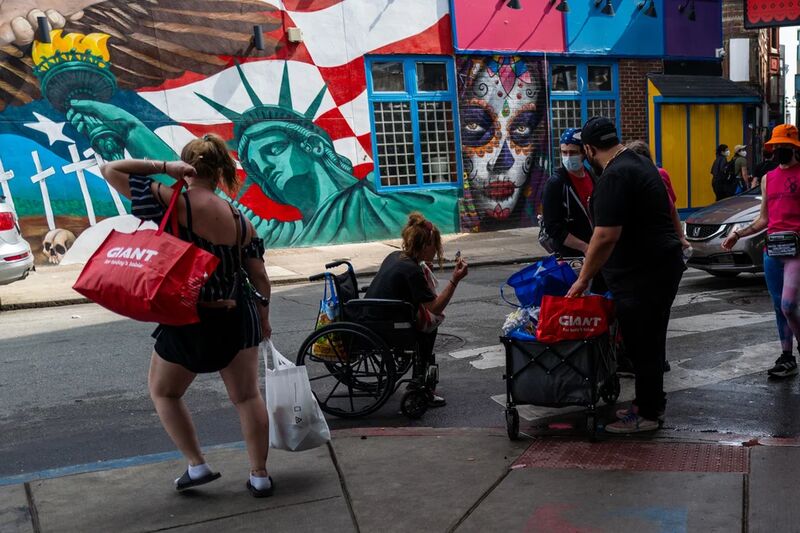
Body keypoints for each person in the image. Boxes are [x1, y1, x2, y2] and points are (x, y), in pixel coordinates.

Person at [99, 134, 274, 497]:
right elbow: (259, 277)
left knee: (164, 392)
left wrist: (163, 168)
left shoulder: (172, 202)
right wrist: (264, 317)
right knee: (246, 396)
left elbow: (109, 168)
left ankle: (197, 465)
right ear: (223, 171)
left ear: (187, 166)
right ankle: (259, 475)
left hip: (188, 316)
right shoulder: (243, 222)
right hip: (236, 317)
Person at [566, 117, 684, 434]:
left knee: (642, 344)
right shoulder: (639, 163)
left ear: (589, 149)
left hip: (644, 274)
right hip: (660, 266)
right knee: (650, 342)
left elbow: (605, 236)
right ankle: (649, 405)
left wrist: (583, 279)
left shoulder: (614, 176)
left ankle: (646, 414)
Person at [365, 213, 469, 407]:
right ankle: (419, 383)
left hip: (373, 316)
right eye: (435, 245)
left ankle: (421, 377)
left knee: (427, 327)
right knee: (428, 329)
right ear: (426, 245)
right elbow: (435, 307)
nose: (437, 250)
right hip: (385, 324)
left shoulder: (396, 256)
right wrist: (455, 280)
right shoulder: (411, 270)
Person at [722, 124, 800, 379]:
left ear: (794, 147)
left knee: (789, 305)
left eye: (784, 146)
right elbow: (763, 219)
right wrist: (737, 233)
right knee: (779, 305)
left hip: (796, 250)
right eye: (776, 146)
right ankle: (787, 356)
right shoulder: (768, 179)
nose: (779, 150)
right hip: (773, 249)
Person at [626, 140, 691, 253]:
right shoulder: (627, 181)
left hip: (663, 239)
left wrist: (681, 237)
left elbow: (672, 209)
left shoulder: (661, 174)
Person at [541, 128, 595, 257]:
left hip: (594, 250)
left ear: (584, 153)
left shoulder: (593, 176)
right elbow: (553, 227)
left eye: (573, 152)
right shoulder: (556, 183)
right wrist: (585, 248)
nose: (568, 157)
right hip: (570, 256)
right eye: (564, 152)